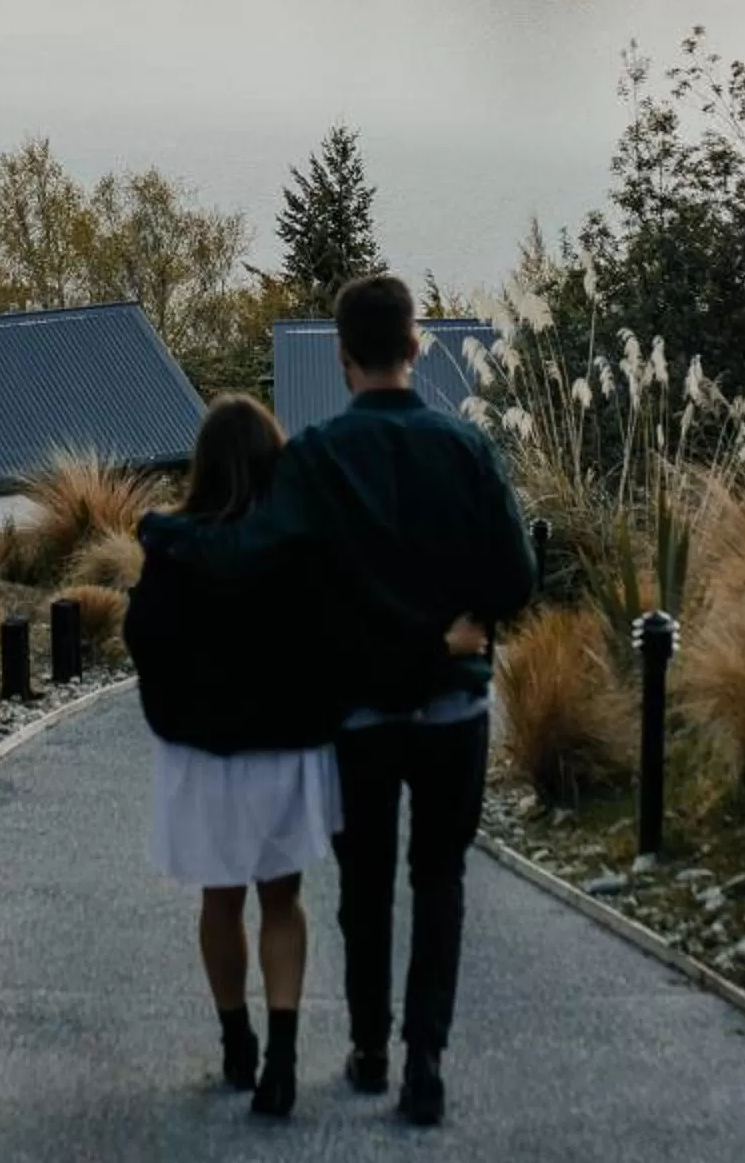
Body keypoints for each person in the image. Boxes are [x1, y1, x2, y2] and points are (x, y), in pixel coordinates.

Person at [138, 273, 537, 1128]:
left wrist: (163, 533)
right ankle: (423, 1065)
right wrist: (454, 632)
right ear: (417, 345)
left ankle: (367, 1047)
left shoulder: (317, 458)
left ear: (345, 356)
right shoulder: (467, 450)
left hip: (360, 715)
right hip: (452, 712)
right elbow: (517, 575)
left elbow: (248, 555)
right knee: (440, 881)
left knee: (365, 886)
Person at [124, 394, 345, 1118]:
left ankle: (236, 1041)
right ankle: (281, 1059)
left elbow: (143, 639)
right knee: (283, 900)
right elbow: (327, 638)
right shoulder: (300, 543)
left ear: (205, 465)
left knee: (219, 898)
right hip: (281, 748)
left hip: (204, 752)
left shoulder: (171, 547)